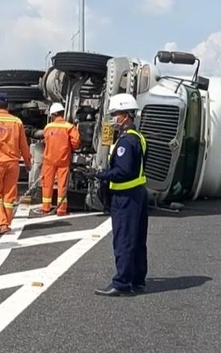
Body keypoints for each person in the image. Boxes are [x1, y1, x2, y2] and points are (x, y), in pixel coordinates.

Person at [93, 93, 149, 297]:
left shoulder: (125, 142)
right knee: (137, 238)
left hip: (125, 196)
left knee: (124, 239)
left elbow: (124, 171)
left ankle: (122, 283)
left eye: (116, 114)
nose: (114, 118)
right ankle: (137, 279)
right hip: (138, 194)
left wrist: (100, 174)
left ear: (126, 115)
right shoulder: (139, 138)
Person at [0, 92, 32, 235]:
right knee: (9, 195)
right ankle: (7, 223)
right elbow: (24, 145)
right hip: (13, 163)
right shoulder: (17, 122)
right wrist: (27, 162)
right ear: (8, 106)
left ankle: (2, 223)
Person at [33, 102, 80, 216]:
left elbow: (45, 140)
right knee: (62, 184)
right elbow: (76, 143)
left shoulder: (48, 127)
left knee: (47, 184)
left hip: (49, 160)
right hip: (63, 160)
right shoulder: (69, 127)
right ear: (62, 113)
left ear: (53, 115)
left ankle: (46, 207)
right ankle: (61, 209)